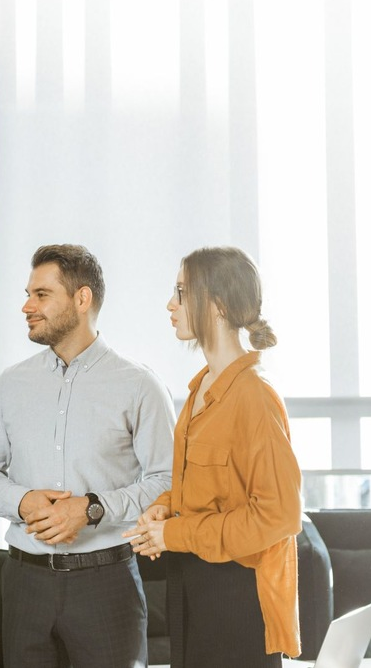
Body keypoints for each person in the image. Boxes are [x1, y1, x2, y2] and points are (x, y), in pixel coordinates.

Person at [0, 244, 175, 668]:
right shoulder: (11, 384)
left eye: (41, 295)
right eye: (28, 294)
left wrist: (93, 509)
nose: (27, 306)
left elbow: (169, 480)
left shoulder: (139, 385)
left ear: (82, 299)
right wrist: (21, 501)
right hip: (25, 583)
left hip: (107, 583)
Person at [124, 246, 302, 667]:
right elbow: (202, 490)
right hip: (191, 586)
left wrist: (176, 535)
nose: (171, 303)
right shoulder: (200, 389)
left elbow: (279, 516)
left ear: (217, 304)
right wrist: (163, 511)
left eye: (182, 292)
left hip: (236, 598)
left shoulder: (254, 397)